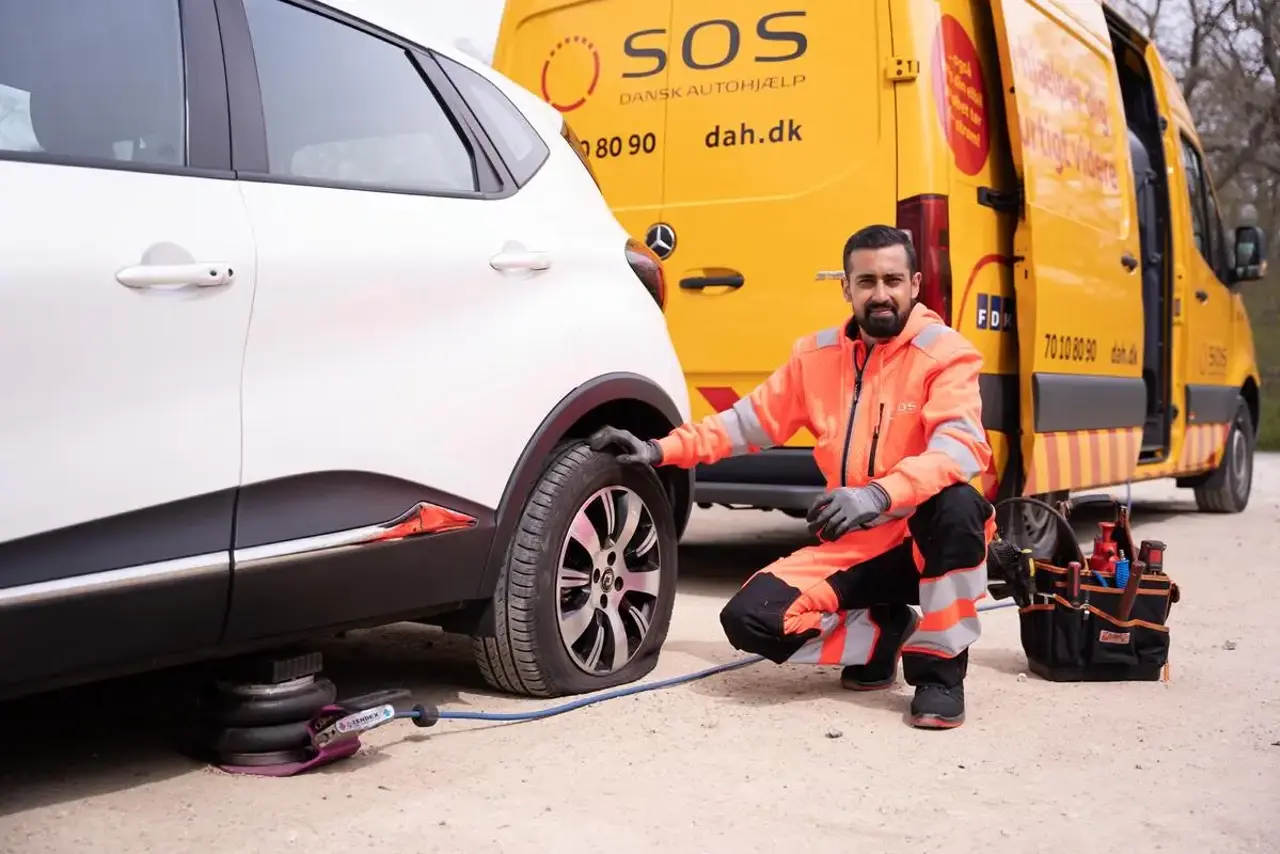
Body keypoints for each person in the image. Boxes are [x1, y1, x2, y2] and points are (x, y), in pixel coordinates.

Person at [589, 224, 996, 729]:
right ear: (846, 289)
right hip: (857, 545)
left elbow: (959, 450)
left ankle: (939, 674)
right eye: (866, 281)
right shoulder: (815, 358)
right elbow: (742, 426)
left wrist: (877, 493)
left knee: (958, 507)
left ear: (915, 284)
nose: (881, 293)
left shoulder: (948, 354)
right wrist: (658, 448)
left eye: (893, 279)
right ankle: (883, 631)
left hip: (925, 537)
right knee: (750, 619)